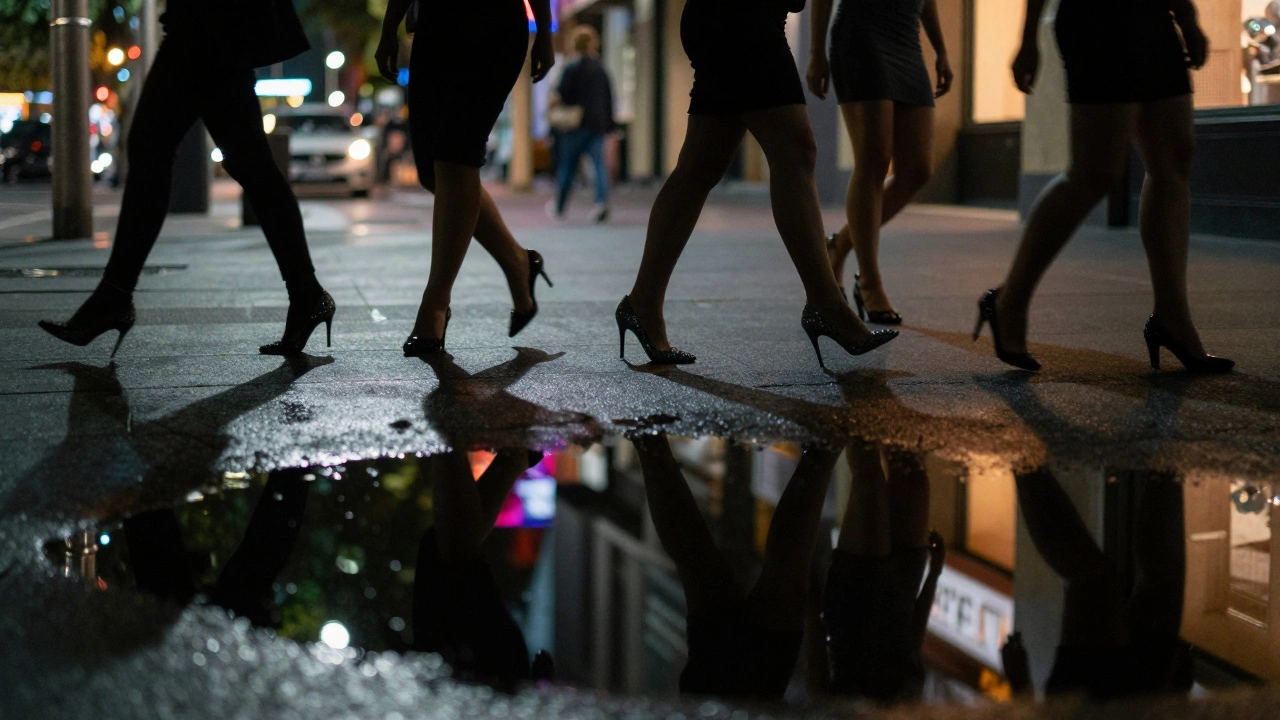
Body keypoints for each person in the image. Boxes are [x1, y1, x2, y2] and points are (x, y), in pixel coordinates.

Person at [38, 0, 333, 358]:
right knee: (247, 165)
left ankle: (113, 296)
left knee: (155, 149)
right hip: (213, 26)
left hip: (206, 27)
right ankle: (306, 293)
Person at [617, 0, 898, 367]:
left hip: (735, 17)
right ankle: (826, 303)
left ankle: (643, 303)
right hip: (741, 16)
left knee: (700, 167)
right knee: (795, 150)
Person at [975, 0, 1233, 373]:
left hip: (1153, 19)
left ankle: (1173, 317)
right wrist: (1028, 39)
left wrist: (1187, 16)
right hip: (1096, 21)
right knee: (1093, 173)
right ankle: (1009, 301)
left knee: (1173, 163)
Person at [376, 0, 557, 357]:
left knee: (456, 156)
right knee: (432, 171)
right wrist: (389, 28)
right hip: (434, 28)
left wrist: (545, 33)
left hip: (493, 26)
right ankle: (519, 263)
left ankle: (435, 305)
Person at [632, 433, 837, 700]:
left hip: (739, 692)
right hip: (737, 691)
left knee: (778, 578)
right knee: (704, 565)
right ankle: (649, 445)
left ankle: (823, 451)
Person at [807, 0, 952, 325]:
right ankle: (870, 283)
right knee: (873, 161)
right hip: (862, 35)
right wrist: (816, 52)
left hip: (907, 39)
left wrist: (941, 48)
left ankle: (839, 245)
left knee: (918, 170)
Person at [821, 445, 944, 703]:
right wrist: (933, 575)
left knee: (869, 480)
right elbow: (912, 644)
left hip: (856, 605)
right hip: (902, 593)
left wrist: (809, 603)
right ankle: (893, 421)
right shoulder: (907, 706)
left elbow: (818, 684)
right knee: (913, 475)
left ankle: (858, 420)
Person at [549, 26, 616, 223]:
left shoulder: (571, 68)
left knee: (568, 166)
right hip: (597, 124)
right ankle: (601, 203)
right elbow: (608, 98)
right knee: (599, 166)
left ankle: (560, 206)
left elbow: (561, 94)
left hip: (575, 125)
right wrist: (610, 125)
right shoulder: (600, 68)